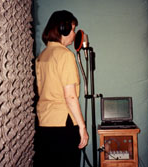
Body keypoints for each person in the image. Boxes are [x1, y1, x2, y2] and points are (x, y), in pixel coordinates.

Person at [35, 10, 89, 167]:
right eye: (72, 29)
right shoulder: (65, 55)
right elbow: (70, 97)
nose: (73, 34)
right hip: (63, 124)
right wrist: (82, 127)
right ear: (63, 30)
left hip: (44, 123)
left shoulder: (42, 55)